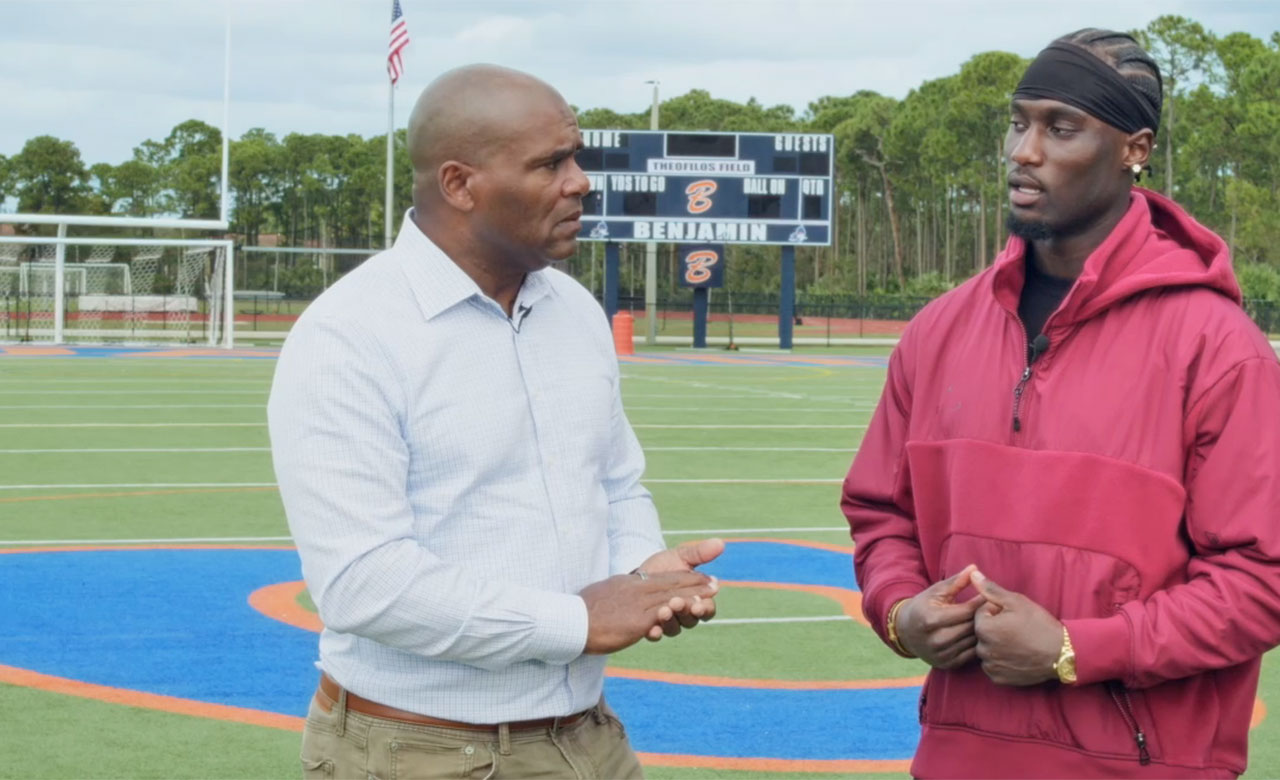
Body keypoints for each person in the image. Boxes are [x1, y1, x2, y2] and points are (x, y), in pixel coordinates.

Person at [842, 28, 1280, 779]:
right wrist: (900, 608)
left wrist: (1079, 649)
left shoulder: (1218, 346)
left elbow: (1258, 580)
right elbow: (883, 514)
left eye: (1060, 126)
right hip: (956, 756)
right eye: (1019, 122)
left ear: (1133, 149)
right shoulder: (938, 330)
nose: (1023, 151)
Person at [268, 64, 723, 780]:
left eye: (576, 157)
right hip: (418, 750)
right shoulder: (350, 334)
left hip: (589, 738)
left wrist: (639, 570)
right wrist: (577, 622)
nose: (580, 181)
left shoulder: (572, 311)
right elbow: (363, 581)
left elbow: (613, 482)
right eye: (550, 163)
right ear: (460, 183)